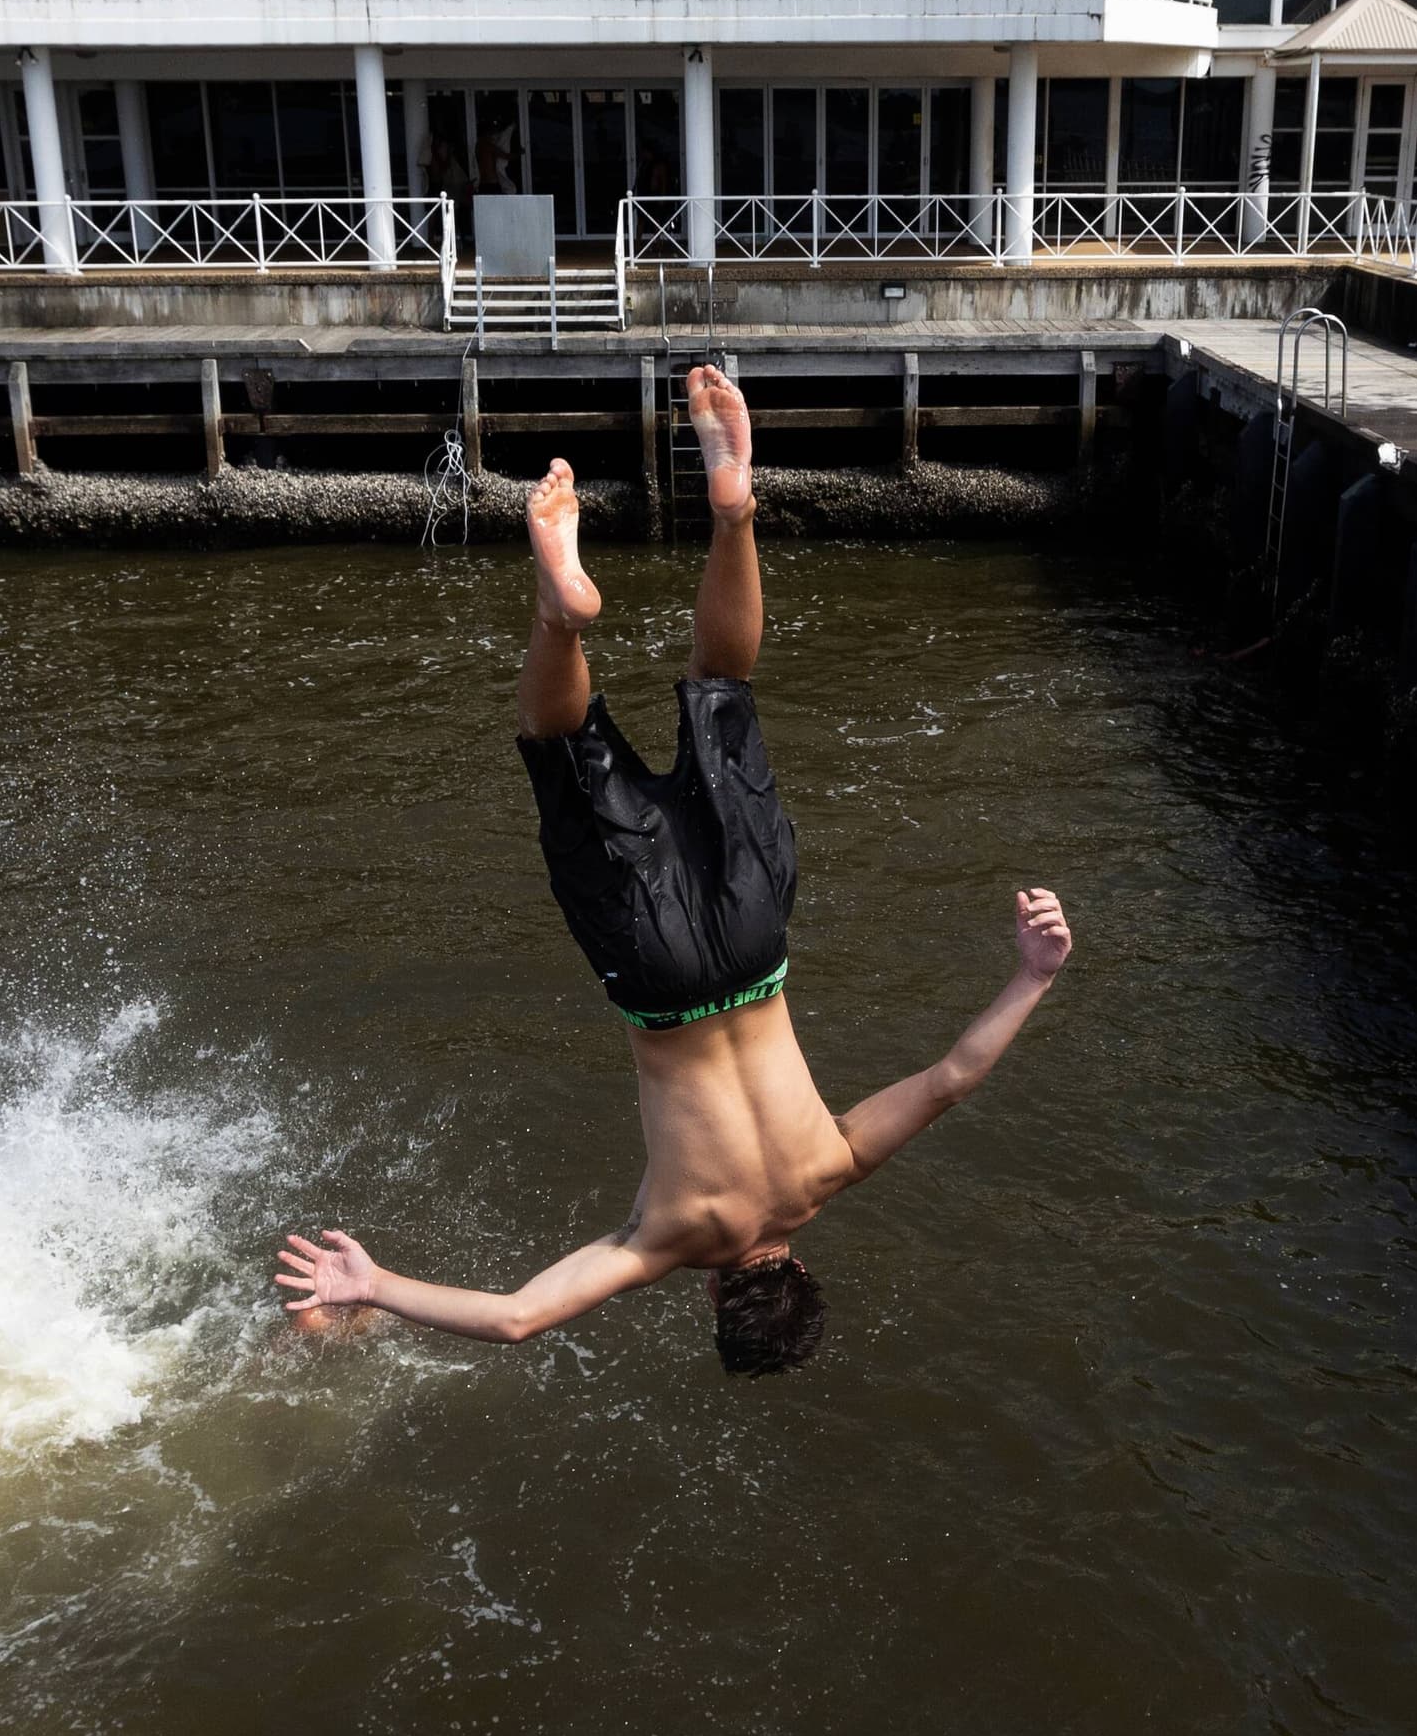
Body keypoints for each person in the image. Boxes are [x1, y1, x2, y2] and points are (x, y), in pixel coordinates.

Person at [275, 370, 1076, 1375]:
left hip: (754, 938)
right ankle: (559, 617)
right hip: (657, 975)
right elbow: (520, 1315)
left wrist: (1033, 973)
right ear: (717, 1295)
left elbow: (954, 1077)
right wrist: (372, 1284)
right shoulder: (669, 1240)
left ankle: (736, 512)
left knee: (724, 685)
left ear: (797, 1273)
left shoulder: (829, 1171)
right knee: (558, 744)